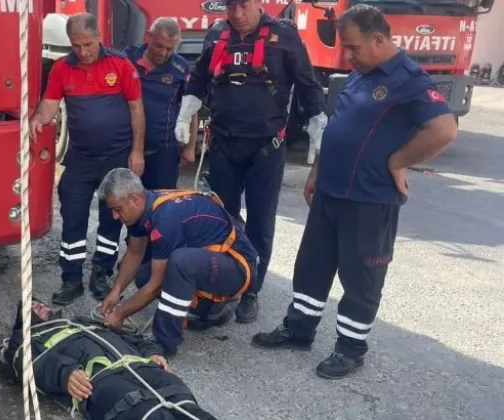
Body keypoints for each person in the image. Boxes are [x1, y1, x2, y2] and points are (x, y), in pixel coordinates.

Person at [252, 5, 457, 379]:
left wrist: (399, 161)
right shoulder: (361, 73)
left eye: (354, 47)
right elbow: (339, 126)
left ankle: (350, 349)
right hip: (331, 191)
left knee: (361, 279)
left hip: (370, 197)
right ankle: (299, 330)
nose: (348, 55)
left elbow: (443, 129)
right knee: (312, 266)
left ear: (379, 39)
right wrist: (316, 169)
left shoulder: (408, 78)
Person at [174, 0, 327, 324]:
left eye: (243, 6)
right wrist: (185, 115)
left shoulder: (284, 36)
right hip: (224, 144)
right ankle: (222, 281)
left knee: (260, 222)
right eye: (231, 7)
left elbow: (307, 83)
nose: (237, 14)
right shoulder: (217, 34)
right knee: (222, 218)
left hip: (266, 148)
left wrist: (318, 124)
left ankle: (251, 290)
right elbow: (199, 77)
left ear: (258, 4)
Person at [30, 13, 145, 305]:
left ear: (98, 38)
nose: (82, 51)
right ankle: (71, 279)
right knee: (73, 216)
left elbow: (136, 110)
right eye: (76, 45)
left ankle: (102, 274)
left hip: (116, 157)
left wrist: (137, 151)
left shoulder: (120, 65)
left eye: (87, 44)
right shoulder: (61, 69)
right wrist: (37, 120)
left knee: (112, 220)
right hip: (80, 158)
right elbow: (49, 104)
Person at [98, 168, 259, 355]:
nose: (115, 217)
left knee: (179, 263)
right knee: (144, 275)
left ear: (134, 199)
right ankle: (210, 311)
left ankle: (164, 341)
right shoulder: (145, 207)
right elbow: (134, 253)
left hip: (239, 266)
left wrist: (120, 314)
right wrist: (116, 291)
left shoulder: (165, 218)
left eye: (117, 210)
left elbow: (156, 286)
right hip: (213, 261)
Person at [0, 299, 218, 420]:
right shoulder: (26, 338)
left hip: (139, 366)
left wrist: (152, 352)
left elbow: (130, 336)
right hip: (100, 380)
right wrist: (65, 374)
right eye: (33, 306)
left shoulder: (81, 321)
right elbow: (24, 360)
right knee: (144, 413)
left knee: (181, 398)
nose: (41, 305)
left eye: (39, 302)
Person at [123, 18, 198, 190]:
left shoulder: (181, 68)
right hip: (126, 149)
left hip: (163, 153)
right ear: (148, 37)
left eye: (170, 49)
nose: (163, 53)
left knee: (162, 207)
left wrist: (190, 147)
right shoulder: (127, 59)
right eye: (159, 46)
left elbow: (190, 108)